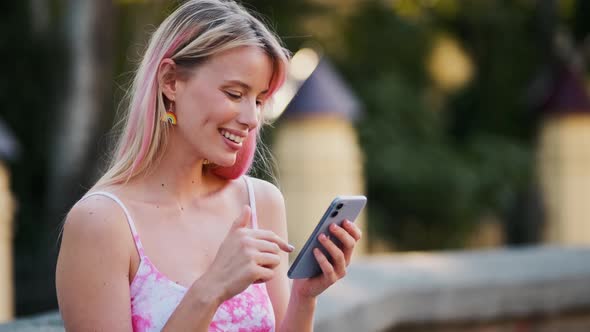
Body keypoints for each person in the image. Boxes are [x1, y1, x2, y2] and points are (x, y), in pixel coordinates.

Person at [55, 0, 362, 331]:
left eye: (259, 100)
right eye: (234, 94)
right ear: (171, 81)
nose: (251, 119)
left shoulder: (260, 203)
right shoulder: (101, 224)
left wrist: (304, 296)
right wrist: (212, 287)